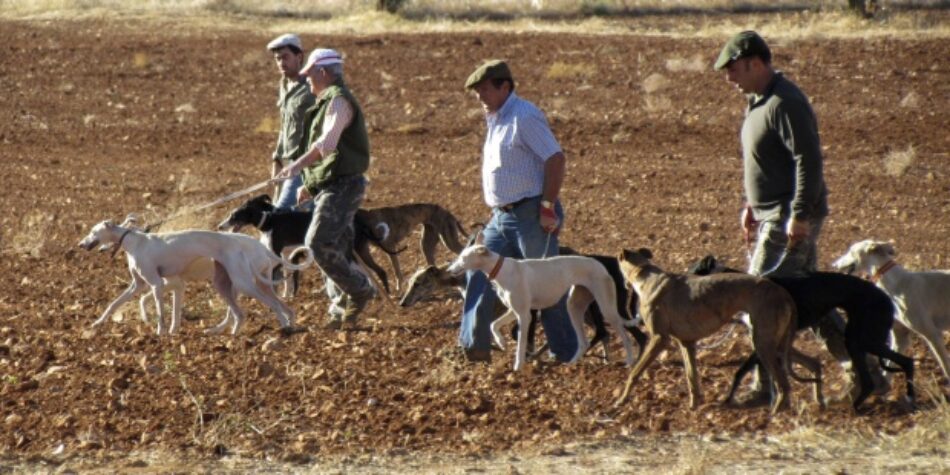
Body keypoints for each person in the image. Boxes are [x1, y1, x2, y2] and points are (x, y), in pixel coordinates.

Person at [716, 31, 886, 405]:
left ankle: (766, 387)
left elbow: (807, 162)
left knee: (759, 298)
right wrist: (751, 205)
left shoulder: (786, 101)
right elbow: (765, 162)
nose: (729, 77)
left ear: (755, 63)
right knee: (811, 301)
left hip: (787, 218)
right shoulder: (757, 100)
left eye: (733, 69)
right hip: (772, 213)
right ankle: (866, 373)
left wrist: (799, 214)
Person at [459, 59, 578, 363]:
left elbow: (555, 159)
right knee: (476, 271)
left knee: (546, 282)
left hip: (531, 214)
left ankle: (566, 354)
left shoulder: (524, 116)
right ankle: (474, 349)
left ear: (505, 87)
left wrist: (548, 206)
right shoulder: (496, 117)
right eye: (476, 91)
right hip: (501, 217)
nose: (479, 96)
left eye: (484, 89)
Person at [274, 48, 375, 330]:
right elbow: (331, 156)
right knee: (338, 249)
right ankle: (341, 313)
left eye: (309, 74)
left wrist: (295, 167)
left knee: (318, 243)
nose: (306, 79)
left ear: (323, 72)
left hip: (344, 186)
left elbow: (327, 145)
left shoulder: (339, 102)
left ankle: (360, 289)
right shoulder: (326, 101)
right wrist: (310, 184)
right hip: (332, 185)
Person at [266, 34, 316, 210]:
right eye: (277, 59)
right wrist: (277, 160)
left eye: (285, 57)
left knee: (280, 216)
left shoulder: (313, 86)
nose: (281, 63)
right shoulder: (284, 84)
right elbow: (285, 126)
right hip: (288, 165)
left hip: (307, 164)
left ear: (299, 56)